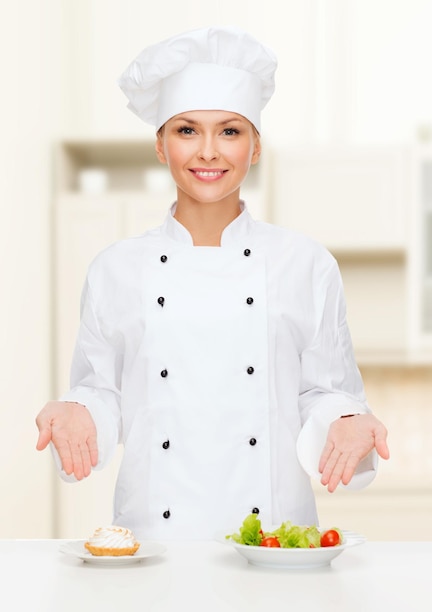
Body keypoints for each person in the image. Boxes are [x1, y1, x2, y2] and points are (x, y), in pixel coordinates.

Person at [35, 25, 389, 541]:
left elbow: (322, 391)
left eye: (229, 131)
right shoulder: (115, 268)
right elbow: (101, 390)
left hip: (273, 538)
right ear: (160, 145)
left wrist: (345, 419)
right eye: (185, 130)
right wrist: (78, 410)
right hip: (154, 538)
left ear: (256, 146)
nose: (208, 152)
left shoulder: (306, 263)